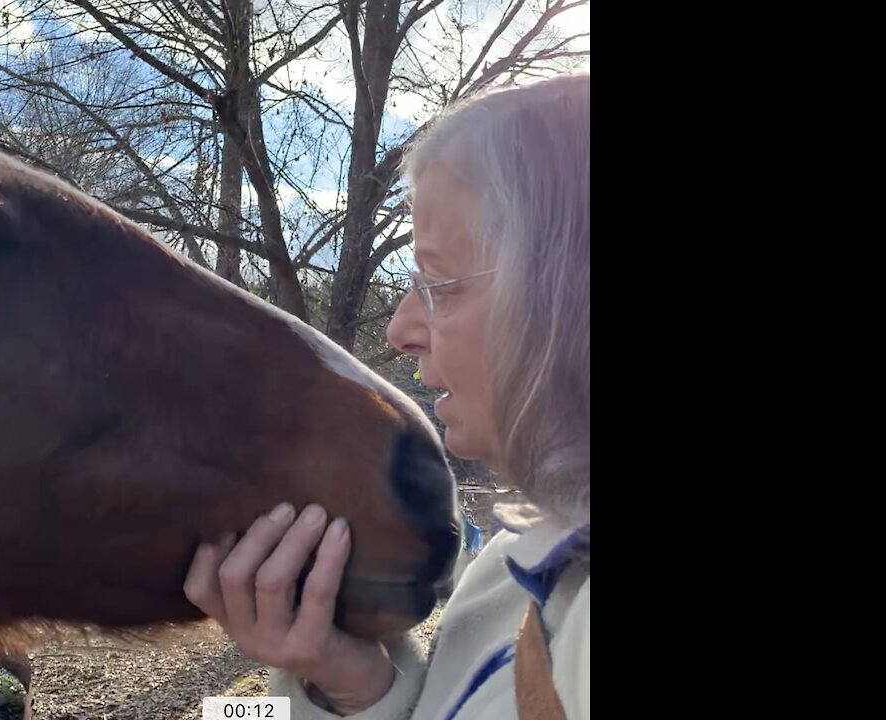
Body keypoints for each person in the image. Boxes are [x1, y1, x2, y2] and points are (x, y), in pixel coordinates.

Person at [183, 73, 590, 720]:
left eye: (442, 284)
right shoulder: (513, 565)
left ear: (571, 292)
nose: (400, 330)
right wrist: (352, 683)